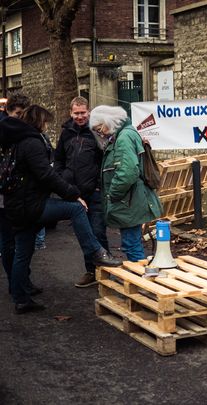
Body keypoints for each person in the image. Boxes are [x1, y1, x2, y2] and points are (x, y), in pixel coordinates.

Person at [0, 105, 122, 314]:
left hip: (17, 205)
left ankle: (21, 297)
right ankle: (96, 253)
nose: (47, 126)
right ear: (39, 121)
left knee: (23, 251)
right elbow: (46, 175)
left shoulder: (17, 141)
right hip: (30, 205)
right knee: (75, 209)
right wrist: (73, 194)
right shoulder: (32, 142)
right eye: (45, 122)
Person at [90, 105, 162, 262]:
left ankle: (140, 281)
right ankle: (140, 278)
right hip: (130, 199)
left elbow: (127, 172)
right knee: (132, 242)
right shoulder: (126, 134)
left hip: (129, 201)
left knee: (131, 244)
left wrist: (112, 195)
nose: (99, 132)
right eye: (96, 130)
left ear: (109, 120)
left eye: (99, 127)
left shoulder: (123, 138)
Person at [55, 96, 109, 288]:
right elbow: (59, 159)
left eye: (83, 113)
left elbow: (106, 160)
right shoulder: (66, 134)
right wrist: (64, 178)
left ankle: (105, 272)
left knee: (98, 232)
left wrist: (99, 184)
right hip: (75, 194)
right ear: (71, 113)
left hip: (94, 192)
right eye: (76, 113)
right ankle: (91, 272)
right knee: (85, 235)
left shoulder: (96, 132)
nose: (80, 116)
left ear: (89, 112)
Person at [0, 93, 33, 296]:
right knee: (9, 241)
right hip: (5, 196)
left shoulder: (18, 131)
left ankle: (21, 282)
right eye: (17, 114)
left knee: (19, 242)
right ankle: (16, 285)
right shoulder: (6, 130)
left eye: (24, 114)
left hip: (16, 195)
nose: (20, 119)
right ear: (8, 112)